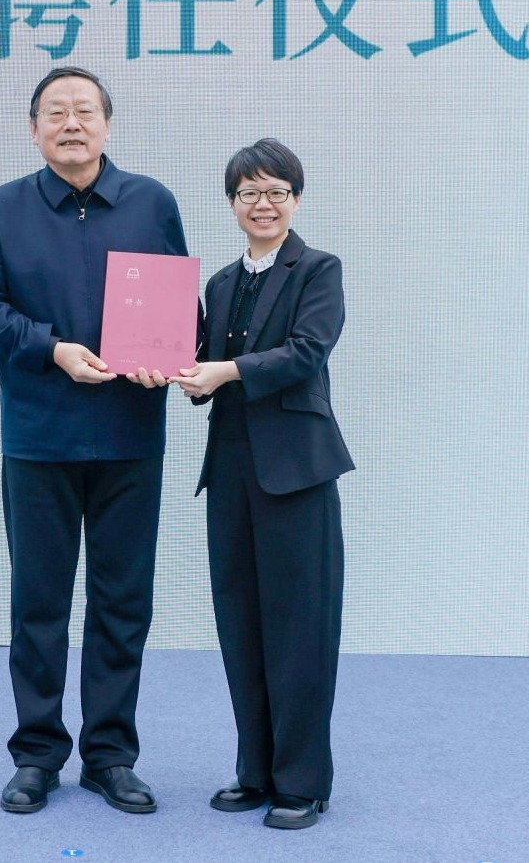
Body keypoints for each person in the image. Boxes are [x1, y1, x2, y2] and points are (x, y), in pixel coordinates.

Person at [0, 67, 187, 816]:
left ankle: (110, 756)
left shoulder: (151, 203)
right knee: (39, 603)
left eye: (84, 110)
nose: (71, 124)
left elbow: (179, 310)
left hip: (129, 435)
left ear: (107, 125)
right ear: (33, 130)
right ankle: (36, 755)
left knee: (123, 602)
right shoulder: (2, 209)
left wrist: (168, 357)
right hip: (39, 436)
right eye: (54, 112)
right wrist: (50, 348)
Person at [173, 138, 353, 831]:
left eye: (276, 191)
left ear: (296, 199)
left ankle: (302, 781)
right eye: (249, 192)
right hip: (230, 471)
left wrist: (224, 372)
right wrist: (178, 370)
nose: (263, 204)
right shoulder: (220, 283)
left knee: (300, 625)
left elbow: (306, 352)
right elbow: (200, 363)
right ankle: (255, 770)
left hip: (297, 471)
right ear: (231, 204)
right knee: (240, 621)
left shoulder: (319, 270)